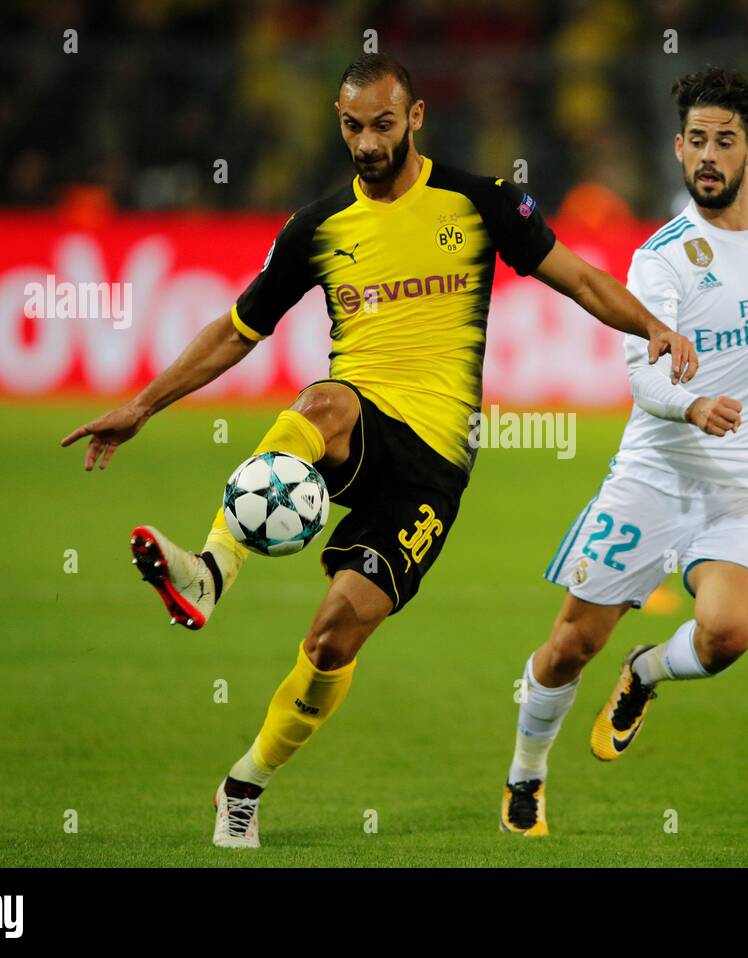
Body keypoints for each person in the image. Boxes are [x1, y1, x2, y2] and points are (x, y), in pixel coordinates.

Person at [61, 54, 696, 848]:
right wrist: (144, 405)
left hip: (434, 469)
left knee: (334, 636)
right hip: (359, 419)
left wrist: (655, 328)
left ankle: (245, 783)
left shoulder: (480, 201)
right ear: (339, 121)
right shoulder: (317, 229)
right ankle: (215, 568)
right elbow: (237, 329)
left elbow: (579, 277)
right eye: (353, 126)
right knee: (321, 400)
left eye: (383, 124)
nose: (367, 141)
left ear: (417, 116)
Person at [498, 67, 748, 837]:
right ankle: (526, 773)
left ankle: (644, 672)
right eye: (697, 141)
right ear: (678, 148)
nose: (709, 156)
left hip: (747, 487)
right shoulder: (664, 257)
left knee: (729, 634)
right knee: (571, 644)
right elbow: (642, 372)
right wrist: (691, 402)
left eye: (725, 142)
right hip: (656, 477)